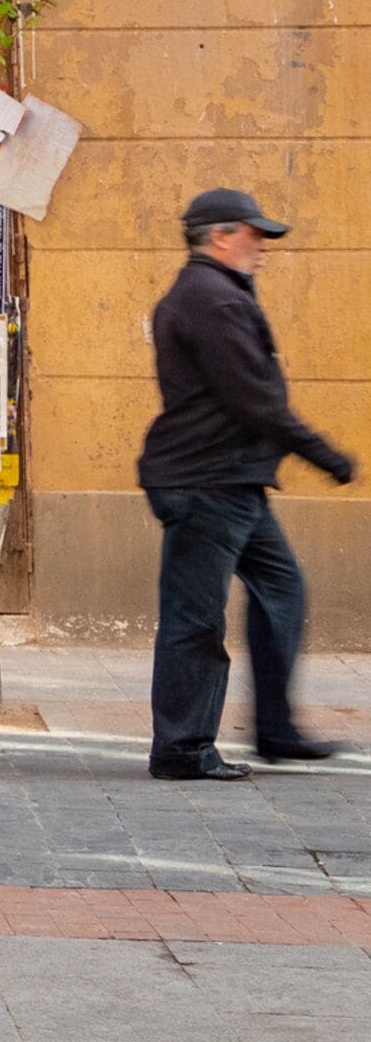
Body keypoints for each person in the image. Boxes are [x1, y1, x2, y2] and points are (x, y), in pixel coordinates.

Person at [138, 187, 355, 780]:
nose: (262, 245)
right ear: (220, 236)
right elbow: (254, 399)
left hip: (230, 480)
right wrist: (325, 455)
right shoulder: (212, 300)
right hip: (206, 481)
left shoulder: (212, 294)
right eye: (254, 234)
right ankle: (182, 749)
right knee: (195, 618)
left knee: (282, 589)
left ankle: (276, 730)